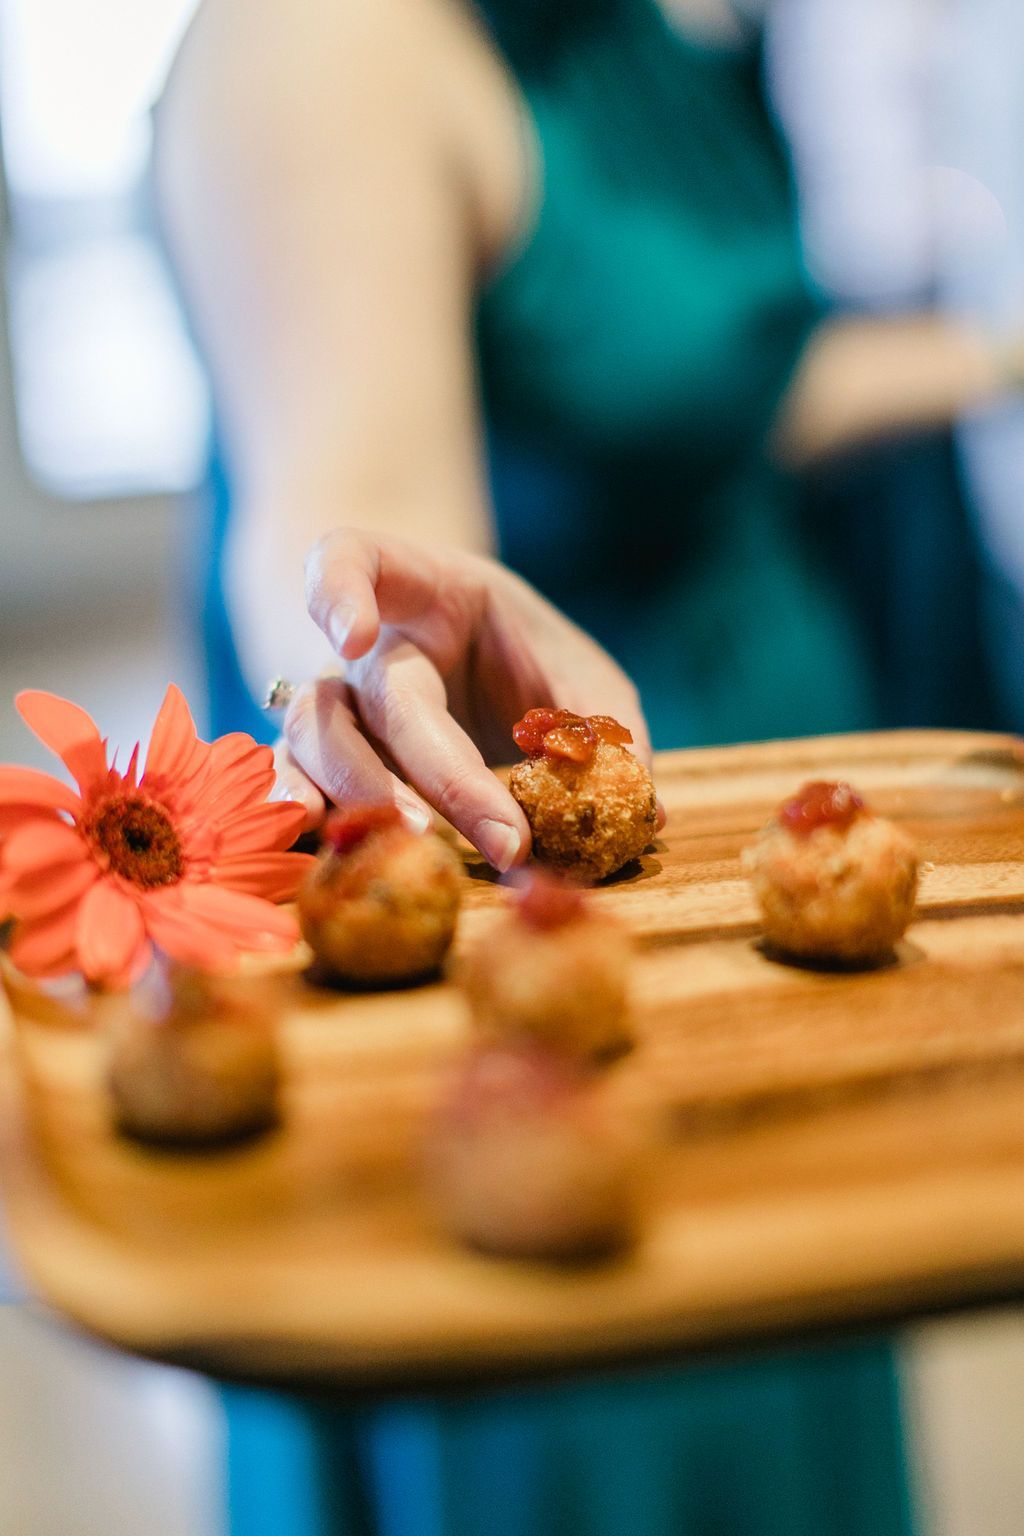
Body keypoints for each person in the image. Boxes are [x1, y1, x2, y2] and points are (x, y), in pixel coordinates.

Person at [154, 1, 1024, 1531]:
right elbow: (348, 503)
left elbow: (691, 385)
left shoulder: (617, 32)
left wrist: (995, 354)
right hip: (584, 979)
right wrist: (364, 643)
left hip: (758, 975)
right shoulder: (327, 47)